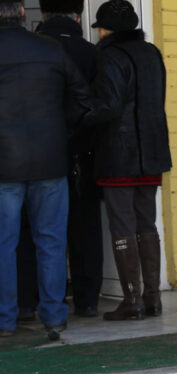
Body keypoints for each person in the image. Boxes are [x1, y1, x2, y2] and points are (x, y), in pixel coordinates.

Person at [0, 0, 94, 340]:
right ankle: (54, 316)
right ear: (23, 13)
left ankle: (5, 319)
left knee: (3, 244)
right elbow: (84, 100)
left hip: (3, 166)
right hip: (51, 160)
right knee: (51, 241)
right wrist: (58, 130)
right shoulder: (51, 49)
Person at [85, 0, 172, 321]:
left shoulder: (109, 56)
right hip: (152, 152)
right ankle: (152, 299)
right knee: (146, 224)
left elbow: (108, 105)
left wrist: (78, 117)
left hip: (119, 154)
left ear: (106, 29)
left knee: (122, 225)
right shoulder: (152, 53)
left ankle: (131, 300)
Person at [38, 0, 103, 318]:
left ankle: (34, 300)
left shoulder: (34, 49)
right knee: (85, 226)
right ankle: (88, 299)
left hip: (37, 154)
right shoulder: (93, 53)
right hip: (83, 151)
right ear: (77, 15)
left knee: (38, 230)